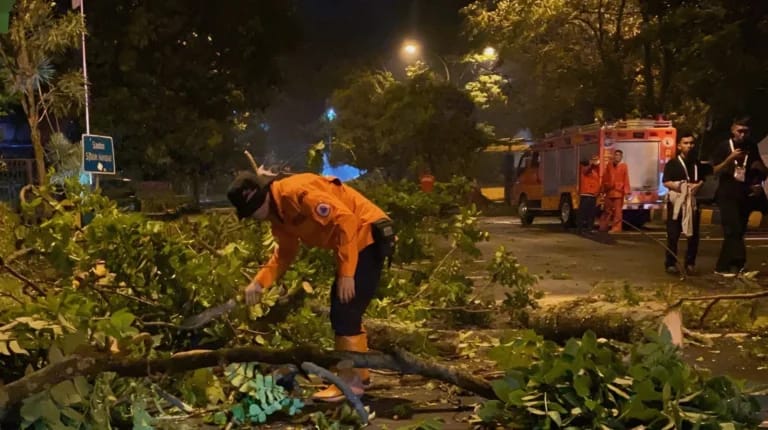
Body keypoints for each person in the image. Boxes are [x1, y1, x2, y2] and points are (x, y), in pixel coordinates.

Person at [227, 167, 395, 402]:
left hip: (367, 234)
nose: (255, 217)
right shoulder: (278, 216)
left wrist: (347, 274)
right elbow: (285, 253)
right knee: (346, 310)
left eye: (253, 211)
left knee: (344, 309)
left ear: (261, 197)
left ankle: (350, 382)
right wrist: (259, 282)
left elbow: (345, 219)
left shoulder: (297, 193)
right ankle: (359, 374)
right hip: (354, 243)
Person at [710, 117, 768, 277]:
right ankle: (738, 263)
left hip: (744, 193)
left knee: (737, 232)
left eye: (746, 132)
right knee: (733, 227)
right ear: (732, 130)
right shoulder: (724, 146)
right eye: (739, 131)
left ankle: (722, 266)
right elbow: (714, 170)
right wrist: (730, 159)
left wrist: (759, 175)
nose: (742, 135)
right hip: (727, 193)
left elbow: (759, 169)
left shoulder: (751, 146)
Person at [662, 132, 704, 275]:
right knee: (673, 235)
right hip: (677, 202)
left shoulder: (697, 163)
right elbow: (666, 182)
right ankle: (670, 263)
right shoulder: (673, 163)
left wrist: (697, 186)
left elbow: (702, 180)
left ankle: (690, 263)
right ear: (679, 146)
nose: (689, 146)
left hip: (692, 202)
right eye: (686, 143)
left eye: (691, 143)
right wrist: (681, 187)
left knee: (693, 234)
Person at [600, 149, 631, 233]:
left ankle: (616, 227)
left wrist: (627, 192)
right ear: (613, 156)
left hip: (618, 192)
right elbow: (605, 177)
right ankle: (603, 226)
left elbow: (626, 179)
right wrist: (602, 189)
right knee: (607, 210)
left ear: (621, 157)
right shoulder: (609, 165)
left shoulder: (624, 166)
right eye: (616, 155)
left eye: (619, 155)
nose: (617, 157)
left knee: (618, 212)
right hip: (609, 191)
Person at [577, 154, 601, 234]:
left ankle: (589, 228)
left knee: (591, 213)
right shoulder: (585, 168)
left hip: (593, 195)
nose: (596, 161)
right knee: (583, 213)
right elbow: (587, 170)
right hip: (586, 195)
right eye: (594, 159)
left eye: (596, 159)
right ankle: (580, 229)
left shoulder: (595, 170)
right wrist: (591, 164)